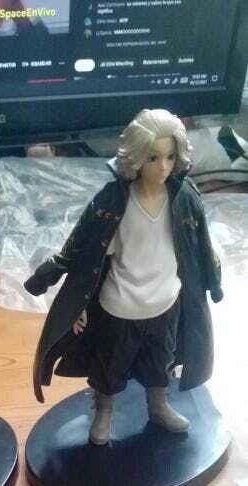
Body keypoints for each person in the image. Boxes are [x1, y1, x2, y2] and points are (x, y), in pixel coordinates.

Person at [24, 109, 223, 445]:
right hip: (119, 307)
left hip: (166, 304)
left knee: (160, 364)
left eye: (170, 156)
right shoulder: (113, 201)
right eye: (153, 157)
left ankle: (158, 406)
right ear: (136, 157)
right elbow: (80, 249)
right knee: (108, 368)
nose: (162, 167)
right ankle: (103, 412)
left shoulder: (184, 198)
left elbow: (202, 243)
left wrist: (213, 283)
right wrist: (73, 300)